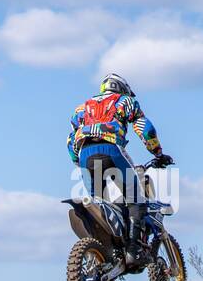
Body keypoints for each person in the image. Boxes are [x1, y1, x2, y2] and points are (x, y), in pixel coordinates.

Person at [67, 74, 172, 263]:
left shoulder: (82, 108)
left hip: (85, 156)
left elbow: (70, 140)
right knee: (136, 197)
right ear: (122, 88)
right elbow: (144, 127)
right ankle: (133, 251)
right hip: (111, 149)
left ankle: (105, 252)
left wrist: (78, 161)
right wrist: (157, 152)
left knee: (97, 202)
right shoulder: (125, 101)